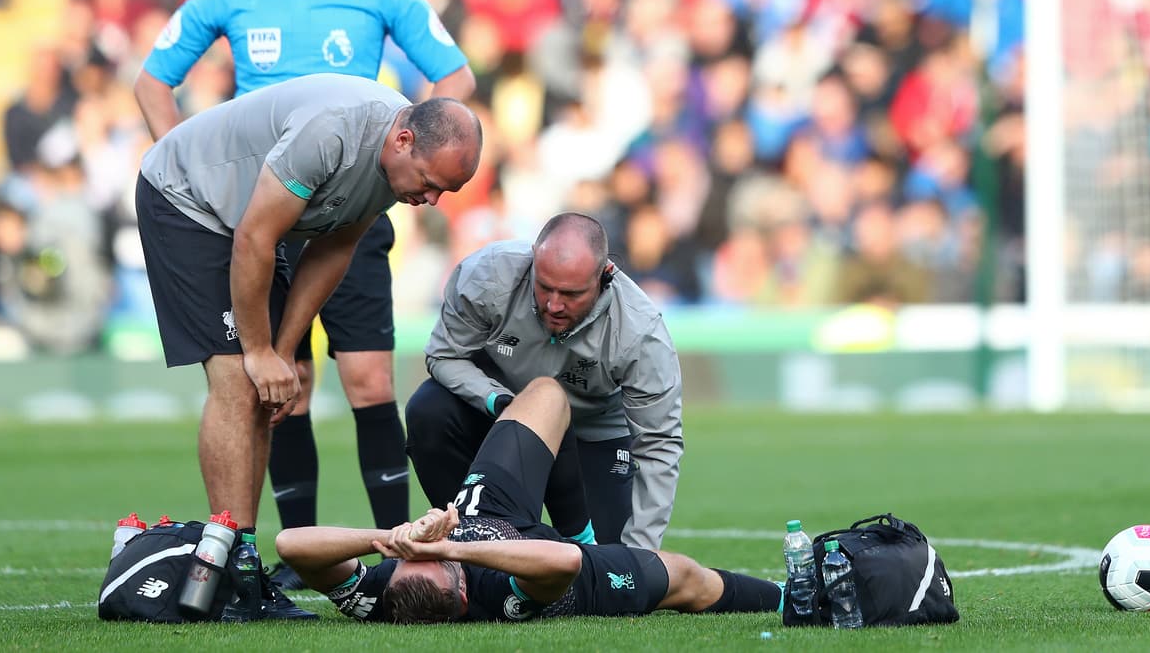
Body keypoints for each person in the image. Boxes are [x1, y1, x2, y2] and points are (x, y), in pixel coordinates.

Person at [134, 0, 477, 589]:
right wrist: (196, 169)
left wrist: (281, 349)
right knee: (244, 378)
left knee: (344, 379)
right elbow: (157, 86)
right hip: (238, 206)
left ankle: (371, 552)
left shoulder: (380, 3)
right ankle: (252, 561)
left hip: (331, 198)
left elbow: (456, 80)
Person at [135, 73, 482, 620]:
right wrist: (258, 352)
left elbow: (333, 250)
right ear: (404, 141)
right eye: (430, 183)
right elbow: (254, 236)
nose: (431, 200)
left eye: (445, 192)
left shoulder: (393, 166)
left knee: (264, 387)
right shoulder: (332, 133)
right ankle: (233, 573)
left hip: (246, 225)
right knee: (237, 380)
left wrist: (285, 352)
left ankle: (242, 567)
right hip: (187, 201)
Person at [276, 377, 780, 623]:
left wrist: (393, 539)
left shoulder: (379, 597)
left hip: (490, 510)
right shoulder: (500, 597)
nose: (425, 554)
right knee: (686, 578)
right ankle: (790, 595)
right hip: (559, 569)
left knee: (546, 394)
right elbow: (563, 561)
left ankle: (576, 516)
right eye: (437, 562)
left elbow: (290, 544)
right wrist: (449, 548)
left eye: (412, 561)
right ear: (463, 594)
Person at [404, 212, 683, 550]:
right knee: (429, 411)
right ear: (533, 259)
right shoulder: (487, 275)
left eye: (571, 294)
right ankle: (469, 538)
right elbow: (444, 356)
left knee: (607, 568)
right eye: (545, 287)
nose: (554, 305)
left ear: (605, 275)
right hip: (498, 418)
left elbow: (658, 443)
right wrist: (502, 403)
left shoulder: (640, 331)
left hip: (591, 433)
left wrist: (640, 557)